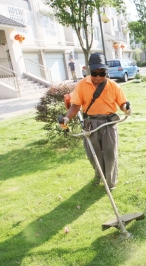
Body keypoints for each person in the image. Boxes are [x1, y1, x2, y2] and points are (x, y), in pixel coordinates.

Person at [60, 52, 132, 190]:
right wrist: (67, 118)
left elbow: (122, 103)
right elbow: (75, 105)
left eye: (102, 72)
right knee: (93, 155)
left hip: (108, 123)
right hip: (90, 124)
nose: (98, 76)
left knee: (110, 155)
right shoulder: (81, 85)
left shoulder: (113, 86)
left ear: (106, 71)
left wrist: (126, 108)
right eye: (94, 73)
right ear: (89, 70)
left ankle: (110, 183)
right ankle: (99, 174)